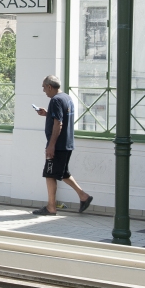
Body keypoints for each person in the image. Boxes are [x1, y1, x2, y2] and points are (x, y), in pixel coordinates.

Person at [33, 75, 93, 216]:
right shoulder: (66, 97)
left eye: (44, 87)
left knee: (50, 174)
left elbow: (58, 123)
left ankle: (51, 207)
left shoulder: (55, 100)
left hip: (58, 145)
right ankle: (84, 197)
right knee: (63, 172)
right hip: (67, 144)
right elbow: (61, 118)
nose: (43, 90)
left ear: (49, 86)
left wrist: (51, 146)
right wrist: (47, 114)